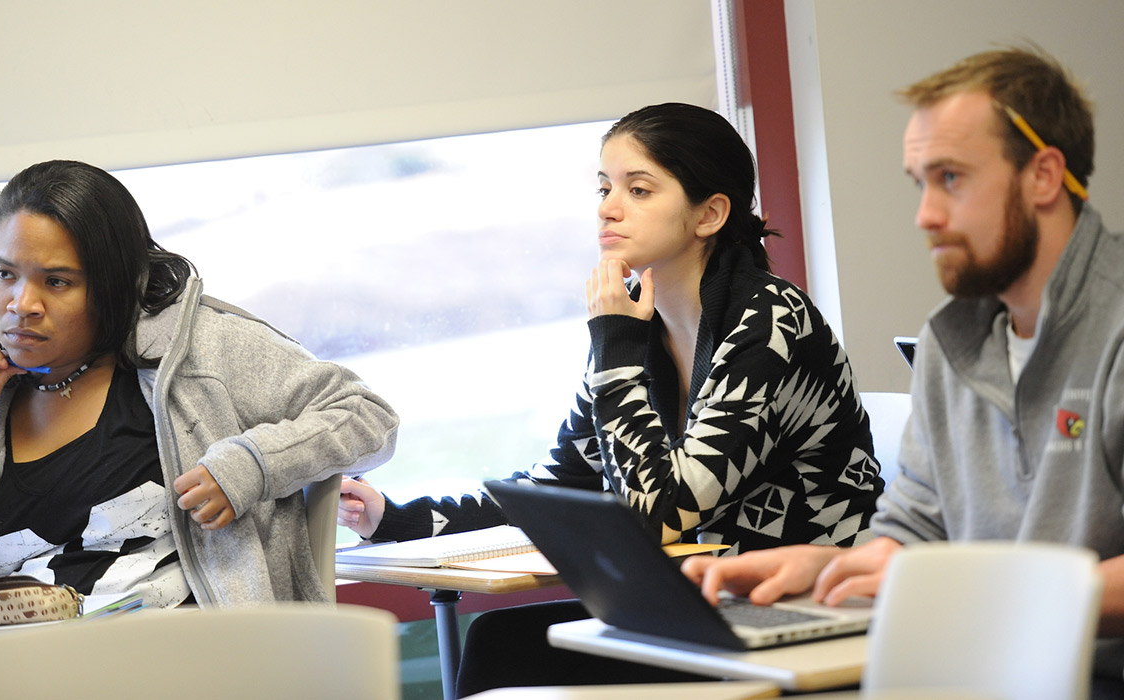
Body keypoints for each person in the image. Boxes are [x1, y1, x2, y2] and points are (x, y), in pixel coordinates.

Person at [339, 103, 883, 695]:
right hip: (708, 609)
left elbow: (662, 512)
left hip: (808, 617)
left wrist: (615, 348)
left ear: (710, 214)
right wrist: (397, 519)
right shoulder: (635, 324)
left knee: (515, 653)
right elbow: (558, 486)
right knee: (503, 642)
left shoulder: (770, 321)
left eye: (639, 189)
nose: (607, 207)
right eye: (604, 187)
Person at [681, 47, 1124, 695]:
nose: (925, 216)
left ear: (1044, 176)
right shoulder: (954, 338)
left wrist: (975, 591)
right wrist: (829, 567)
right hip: (986, 673)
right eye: (920, 182)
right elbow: (916, 530)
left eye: (951, 178)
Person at [0, 160, 399, 610]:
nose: (22, 303)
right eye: (4, 273)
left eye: (57, 282)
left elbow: (367, 416)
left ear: (113, 283)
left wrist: (252, 465)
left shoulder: (196, 350)